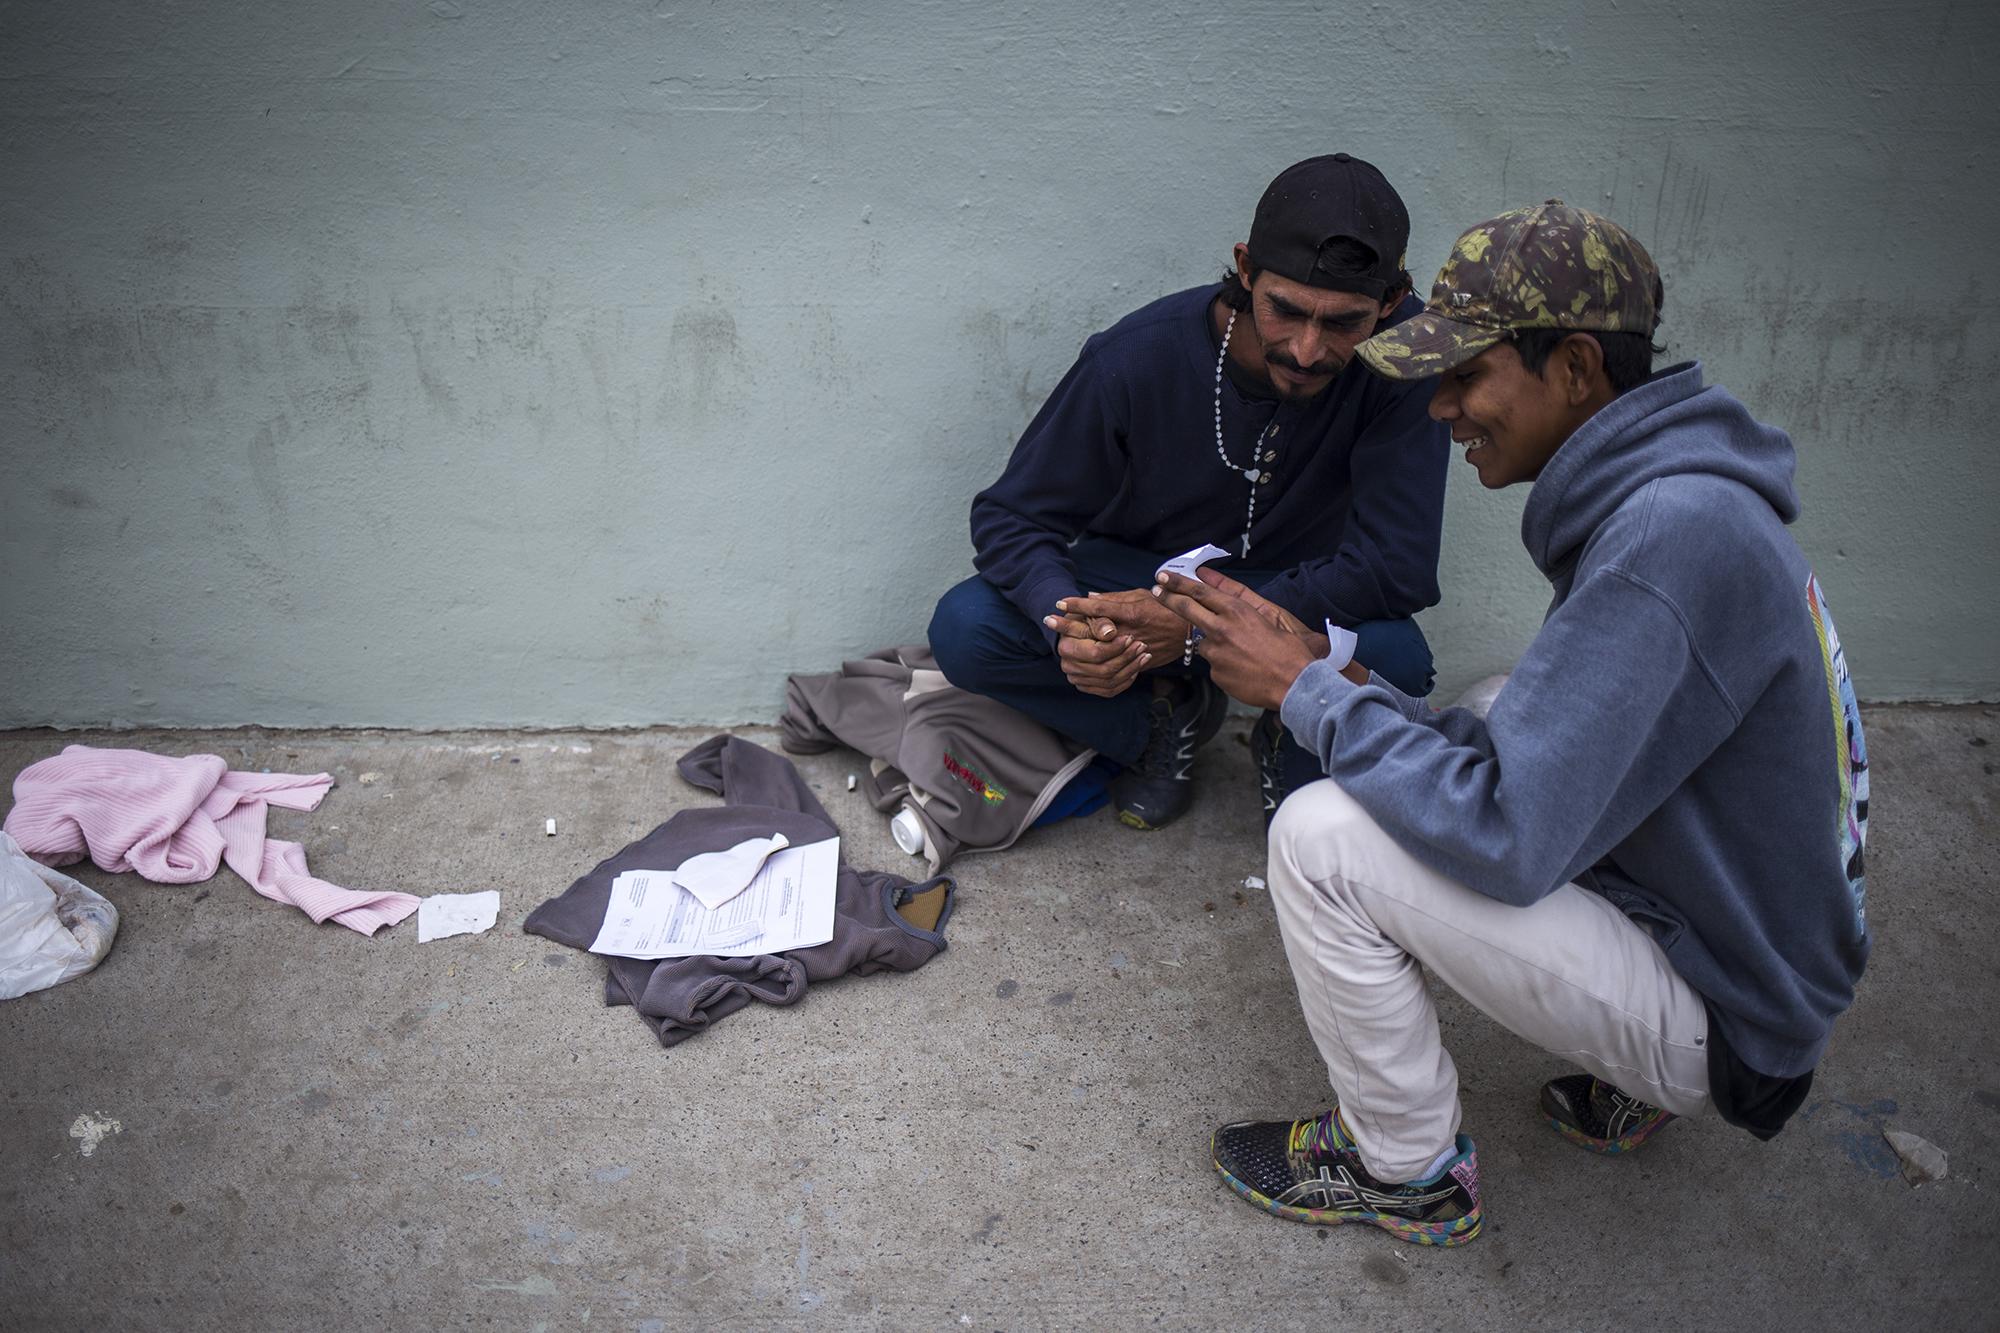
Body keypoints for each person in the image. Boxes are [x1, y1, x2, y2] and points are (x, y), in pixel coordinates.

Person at [1154, 202, 1870, 1246]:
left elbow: (1505, 833)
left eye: (1466, 376)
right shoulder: (1678, 495)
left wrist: (1302, 693)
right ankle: (1630, 1076)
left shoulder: (1662, 541)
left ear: (1575, 369)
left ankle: (1405, 1171)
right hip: (1754, 934)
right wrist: (1317, 670)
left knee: (1318, 841)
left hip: (1736, 1011)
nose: (1442, 407)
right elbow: (1529, 758)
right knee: (1496, 704)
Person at [927, 154, 1450, 831]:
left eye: (1345, 323)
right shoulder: (1136, 356)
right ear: (1245, 268)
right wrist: (1071, 628)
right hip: (1144, 581)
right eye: (1285, 310)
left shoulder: (1404, 359)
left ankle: (1289, 729)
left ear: (1390, 301)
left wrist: (1206, 625)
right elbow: (1012, 516)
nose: (1308, 349)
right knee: (968, 628)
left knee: (1399, 661)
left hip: (1298, 592)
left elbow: (1397, 564)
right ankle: (1155, 722)